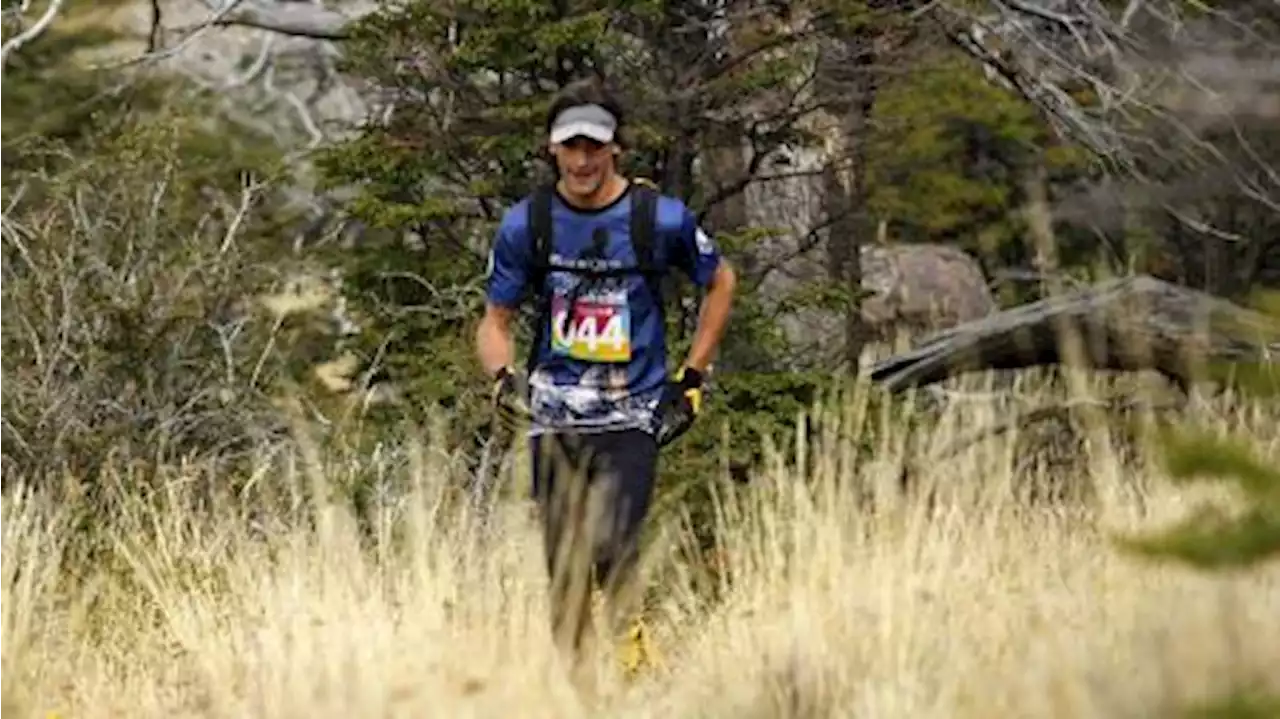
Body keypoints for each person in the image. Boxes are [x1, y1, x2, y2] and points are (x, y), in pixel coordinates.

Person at [473, 76, 737, 672]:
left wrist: (691, 379)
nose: (584, 160)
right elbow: (494, 321)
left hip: (633, 410)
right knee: (563, 565)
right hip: (552, 414)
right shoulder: (527, 224)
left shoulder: (659, 219)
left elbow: (720, 281)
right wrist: (502, 377)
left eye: (596, 146)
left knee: (614, 540)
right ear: (552, 149)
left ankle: (632, 662)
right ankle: (578, 689)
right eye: (572, 146)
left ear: (616, 148)